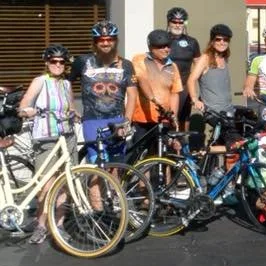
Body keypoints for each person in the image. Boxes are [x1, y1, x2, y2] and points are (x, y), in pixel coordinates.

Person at [18, 44, 77, 244]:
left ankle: (58, 225)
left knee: (65, 183)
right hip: (46, 138)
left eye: (62, 62)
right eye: (54, 61)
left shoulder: (66, 84)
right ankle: (41, 225)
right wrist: (29, 111)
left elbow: (71, 106)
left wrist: (75, 114)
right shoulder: (40, 81)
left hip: (67, 137)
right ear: (47, 63)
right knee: (46, 185)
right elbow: (23, 106)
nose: (58, 65)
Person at [70, 20, 137, 162]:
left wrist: (127, 121)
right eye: (101, 40)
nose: (106, 43)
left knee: (117, 167)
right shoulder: (82, 61)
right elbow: (65, 84)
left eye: (109, 39)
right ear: (95, 42)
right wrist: (71, 106)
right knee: (99, 166)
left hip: (117, 121)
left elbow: (132, 95)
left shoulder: (126, 65)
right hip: (92, 122)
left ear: (116, 41)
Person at [130, 30, 183, 161]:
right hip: (142, 119)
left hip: (163, 119)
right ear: (151, 47)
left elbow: (175, 93)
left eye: (168, 46)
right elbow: (142, 79)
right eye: (161, 46)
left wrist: (173, 116)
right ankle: (141, 176)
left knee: (164, 156)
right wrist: (153, 99)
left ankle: (163, 176)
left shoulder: (173, 66)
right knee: (141, 156)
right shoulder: (139, 59)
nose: (166, 49)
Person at [187, 24, 241, 151]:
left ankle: (211, 157)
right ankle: (204, 153)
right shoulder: (205, 58)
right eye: (218, 39)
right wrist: (195, 99)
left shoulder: (224, 58)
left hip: (227, 111)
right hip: (213, 112)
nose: (222, 42)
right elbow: (191, 80)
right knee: (234, 144)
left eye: (225, 40)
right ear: (212, 41)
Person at [165, 7, 201, 130]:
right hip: (166, 86)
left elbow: (199, 66)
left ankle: (183, 140)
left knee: (184, 119)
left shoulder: (192, 42)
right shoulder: (161, 40)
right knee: (167, 119)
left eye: (181, 22)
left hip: (185, 86)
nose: (177, 25)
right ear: (168, 22)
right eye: (174, 22)